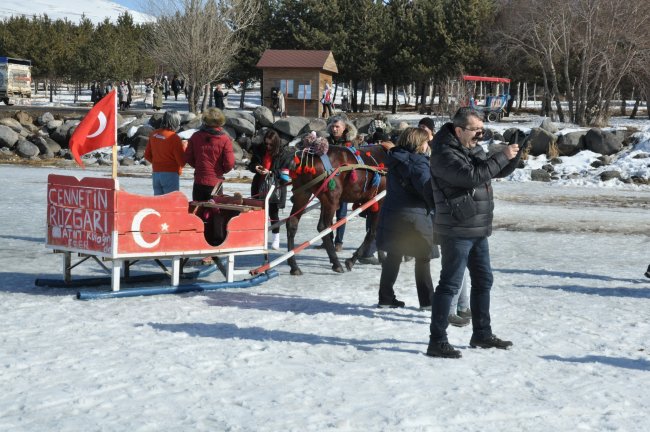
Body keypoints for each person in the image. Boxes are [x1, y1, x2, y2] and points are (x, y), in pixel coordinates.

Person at [425, 108, 522, 359]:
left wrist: (513, 156)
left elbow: (492, 171)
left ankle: (482, 333)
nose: (480, 134)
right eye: (475, 129)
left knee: (483, 281)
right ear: (459, 130)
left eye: (482, 129)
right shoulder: (444, 153)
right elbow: (471, 177)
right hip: (457, 229)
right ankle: (437, 340)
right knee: (450, 284)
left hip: (477, 227)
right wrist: (501, 156)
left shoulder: (471, 147)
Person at [376, 127, 438, 309]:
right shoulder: (418, 163)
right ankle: (427, 301)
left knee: (393, 255)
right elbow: (427, 190)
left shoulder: (395, 158)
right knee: (423, 256)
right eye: (425, 142)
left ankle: (385, 298)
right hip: (415, 216)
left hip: (393, 212)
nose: (427, 145)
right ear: (418, 143)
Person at [248, 129, 293, 250]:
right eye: (266, 143)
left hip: (274, 186)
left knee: (273, 213)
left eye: (270, 145)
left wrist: (270, 172)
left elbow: (285, 172)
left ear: (275, 144)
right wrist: (255, 167)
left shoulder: (283, 153)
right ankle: (258, 237)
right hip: (259, 185)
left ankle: (276, 239)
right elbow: (251, 164)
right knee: (258, 212)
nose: (268, 146)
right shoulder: (260, 150)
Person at [184, 108, 235, 201]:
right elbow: (229, 163)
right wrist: (221, 170)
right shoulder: (225, 139)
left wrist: (199, 166)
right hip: (215, 181)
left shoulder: (195, 136)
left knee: (198, 208)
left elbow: (188, 156)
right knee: (215, 209)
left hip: (199, 180)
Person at [325, 116, 358, 252]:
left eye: (337, 127)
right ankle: (328, 240)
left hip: (344, 183)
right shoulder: (326, 142)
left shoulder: (351, 143)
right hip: (328, 181)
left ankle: (338, 242)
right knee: (327, 212)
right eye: (333, 126)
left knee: (341, 214)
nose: (334, 129)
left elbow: (356, 161)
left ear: (344, 128)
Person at [144, 110, 185, 195]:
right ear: (175, 122)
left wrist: (158, 162)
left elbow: (147, 155)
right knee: (171, 201)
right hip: (170, 174)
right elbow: (182, 162)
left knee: (159, 202)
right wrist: (184, 147)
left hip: (156, 173)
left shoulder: (154, 134)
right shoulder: (174, 138)